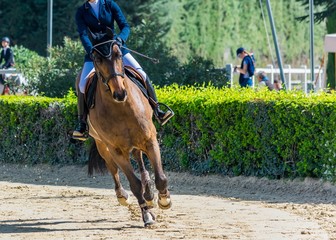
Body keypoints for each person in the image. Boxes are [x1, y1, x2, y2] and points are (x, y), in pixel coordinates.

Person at [73, 0, 174, 140]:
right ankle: (82, 124)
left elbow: (125, 26)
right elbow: (83, 35)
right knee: (82, 85)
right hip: (96, 54)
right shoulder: (81, 11)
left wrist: (120, 40)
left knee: (142, 74)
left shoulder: (109, 4)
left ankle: (158, 110)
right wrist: (91, 51)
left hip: (115, 50)